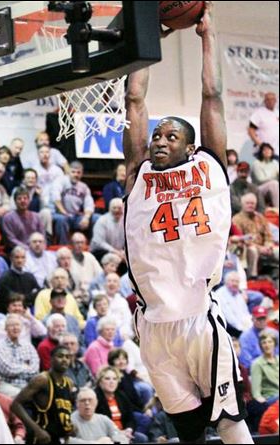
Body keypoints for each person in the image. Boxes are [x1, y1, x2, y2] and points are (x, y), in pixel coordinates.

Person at [122, 3, 253, 444]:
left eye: (171, 136)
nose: (159, 140)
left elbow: (211, 97)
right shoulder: (138, 174)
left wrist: (207, 36)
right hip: (153, 327)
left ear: (190, 147)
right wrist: (146, 42)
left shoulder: (211, 166)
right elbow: (135, 100)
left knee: (231, 421)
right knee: (188, 431)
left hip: (198, 318)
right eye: (157, 135)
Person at [11, 345, 74, 444]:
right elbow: (15, 405)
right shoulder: (42, 379)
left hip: (57, 437)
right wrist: (37, 430)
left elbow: (64, 411)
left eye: (67, 357)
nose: (64, 360)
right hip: (41, 437)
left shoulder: (69, 383)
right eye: (60, 356)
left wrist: (70, 427)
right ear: (51, 359)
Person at [0, 313, 40, 397]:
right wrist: (26, 367)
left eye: (17, 325)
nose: (15, 328)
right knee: (22, 396)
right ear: (6, 329)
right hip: (7, 385)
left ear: (21, 328)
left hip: (27, 384)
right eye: (11, 325)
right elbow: (7, 370)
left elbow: (35, 369)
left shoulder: (28, 346)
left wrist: (18, 367)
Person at [232, 193, 279, 279]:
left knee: (277, 251)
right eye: (248, 203)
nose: (250, 205)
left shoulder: (260, 217)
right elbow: (241, 240)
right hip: (248, 248)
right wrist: (259, 248)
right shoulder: (237, 219)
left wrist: (268, 246)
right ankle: (252, 277)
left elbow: (268, 235)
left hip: (265, 247)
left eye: (252, 203)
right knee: (252, 250)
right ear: (242, 204)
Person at [52, 160, 99, 244]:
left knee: (96, 218)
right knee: (61, 219)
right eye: (73, 172)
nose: (76, 175)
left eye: (78, 172)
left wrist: (86, 217)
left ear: (81, 174)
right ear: (69, 172)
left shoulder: (84, 187)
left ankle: (94, 245)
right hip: (60, 214)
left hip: (75, 216)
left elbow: (89, 204)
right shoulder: (61, 181)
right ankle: (63, 246)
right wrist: (64, 212)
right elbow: (56, 198)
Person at [0, 246, 41, 313]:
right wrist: (29, 296)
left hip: (29, 309)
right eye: (17, 257)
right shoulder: (5, 277)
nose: (20, 260)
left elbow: (38, 292)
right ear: (11, 258)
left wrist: (24, 297)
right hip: (10, 312)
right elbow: (9, 297)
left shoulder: (29, 276)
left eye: (23, 257)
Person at [2, 187, 45, 251]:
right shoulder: (8, 218)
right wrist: (28, 249)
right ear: (15, 201)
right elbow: (10, 239)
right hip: (16, 252)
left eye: (25, 198)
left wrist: (40, 247)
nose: (22, 201)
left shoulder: (36, 216)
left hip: (35, 250)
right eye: (19, 199)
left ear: (29, 200)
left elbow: (42, 235)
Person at [239, 305, 279, 371]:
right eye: (259, 318)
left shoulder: (275, 333)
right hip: (255, 371)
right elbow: (246, 362)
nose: (261, 321)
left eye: (263, 318)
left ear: (267, 318)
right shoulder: (245, 337)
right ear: (252, 319)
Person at [90, 198, 125, 264]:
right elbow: (99, 242)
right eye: (114, 208)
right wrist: (115, 252)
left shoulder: (125, 221)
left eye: (119, 208)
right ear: (109, 209)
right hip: (100, 251)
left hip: (118, 251)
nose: (117, 210)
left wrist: (123, 252)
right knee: (115, 259)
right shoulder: (102, 220)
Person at [250, 331, 279, 408]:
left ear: (274, 344)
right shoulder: (257, 364)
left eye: (270, 342)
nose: (267, 345)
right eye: (264, 343)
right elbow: (256, 393)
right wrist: (263, 402)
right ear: (261, 346)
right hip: (270, 398)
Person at [248, 92, 279, 158]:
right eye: (268, 99)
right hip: (263, 151)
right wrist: (260, 144)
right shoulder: (259, 113)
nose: (270, 101)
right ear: (264, 101)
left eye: (272, 99)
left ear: (275, 100)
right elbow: (251, 130)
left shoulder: (277, 113)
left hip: (276, 151)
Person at [251, 143, 279, 209]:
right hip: (259, 189)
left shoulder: (275, 162)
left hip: (273, 187)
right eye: (265, 150)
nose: (267, 151)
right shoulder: (256, 163)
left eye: (269, 150)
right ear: (261, 152)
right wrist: (275, 177)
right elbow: (261, 179)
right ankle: (278, 208)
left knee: (275, 184)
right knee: (274, 183)